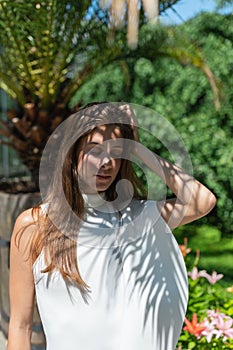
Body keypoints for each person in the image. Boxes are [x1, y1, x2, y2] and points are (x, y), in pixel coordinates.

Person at [7, 102, 216, 350]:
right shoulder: (35, 225)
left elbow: (202, 201)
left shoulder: (137, 217)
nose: (106, 162)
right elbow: (19, 326)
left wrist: (137, 148)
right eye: (94, 150)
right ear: (71, 154)